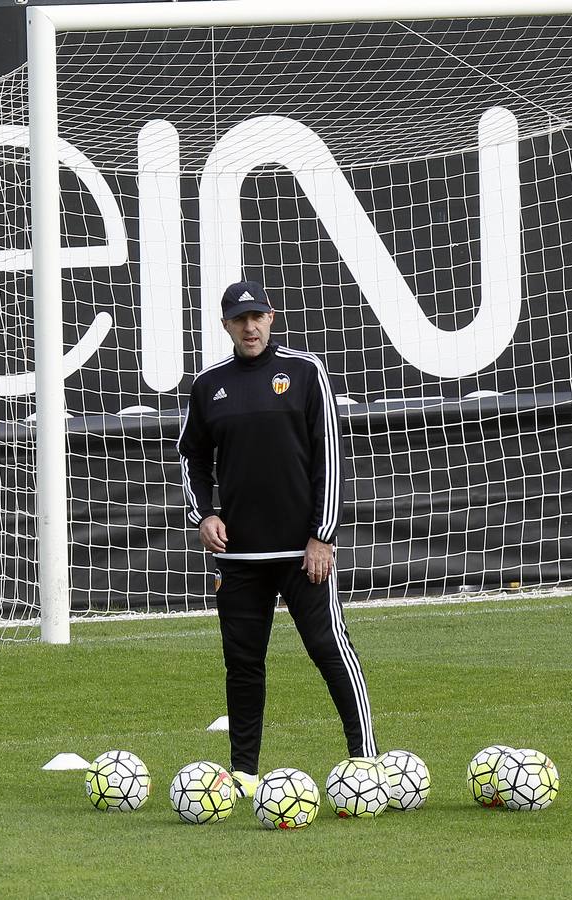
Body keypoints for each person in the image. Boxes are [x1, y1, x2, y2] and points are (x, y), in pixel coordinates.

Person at [177, 280, 376, 797]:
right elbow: (192, 455)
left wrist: (322, 536)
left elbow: (329, 456)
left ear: (271, 317)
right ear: (225, 325)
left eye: (257, 316)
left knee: (330, 649)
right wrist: (205, 515)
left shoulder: (306, 371)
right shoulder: (209, 386)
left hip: (301, 551)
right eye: (239, 319)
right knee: (242, 663)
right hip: (239, 554)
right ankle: (244, 772)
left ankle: (366, 759)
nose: (249, 327)